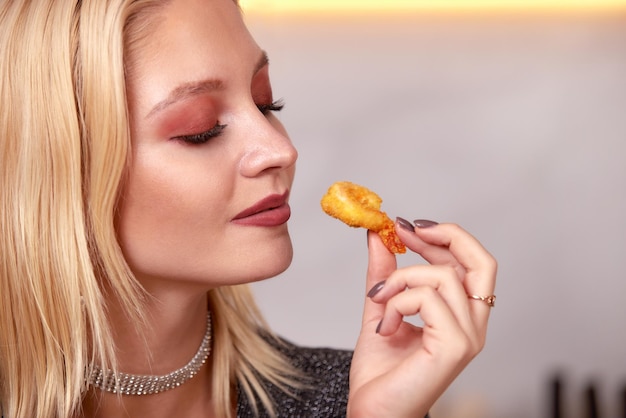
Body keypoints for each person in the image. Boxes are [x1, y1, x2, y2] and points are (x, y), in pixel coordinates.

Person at [0, 0, 498, 417]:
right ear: (58, 173)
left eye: (266, 103)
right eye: (201, 129)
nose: (281, 150)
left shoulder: (347, 398)